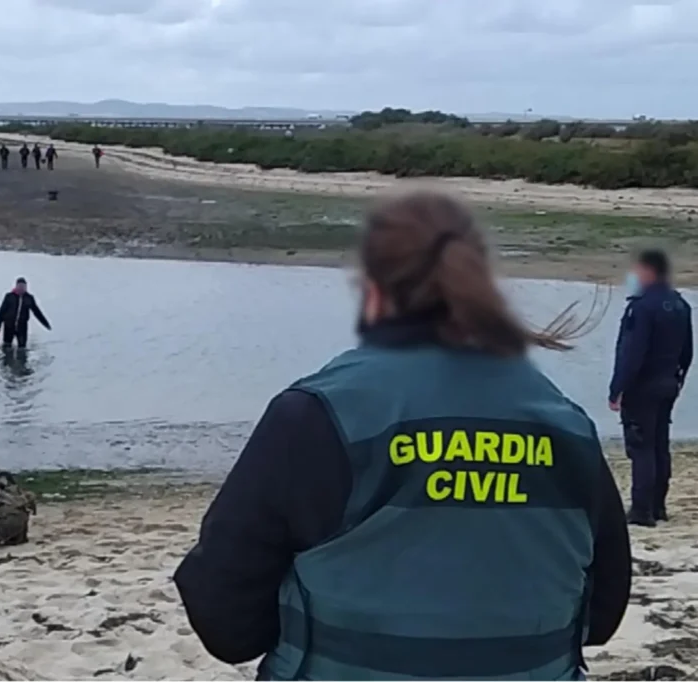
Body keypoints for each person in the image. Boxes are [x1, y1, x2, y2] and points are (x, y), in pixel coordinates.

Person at [174, 192, 631, 680]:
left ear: (374, 293)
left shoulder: (315, 415)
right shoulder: (566, 422)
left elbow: (227, 624)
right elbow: (601, 615)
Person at [609, 249, 693, 527]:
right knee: (659, 445)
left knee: (641, 447)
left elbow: (632, 353)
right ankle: (658, 506)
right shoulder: (680, 305)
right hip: (668, 383)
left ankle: (642, 510)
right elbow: (687, 352)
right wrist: (678, 380)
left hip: (643, 386)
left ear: (648, 272)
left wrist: (617, 389)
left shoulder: (642, 307)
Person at [0, 277, 50, 350]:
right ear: (16, 286)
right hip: (9, 326)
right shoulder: (9, 296)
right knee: (7, 347)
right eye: (20, 287)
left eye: (23, 287)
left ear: (26, 287)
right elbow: (1, 313)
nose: (21, 289)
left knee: (22, 348)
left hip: (22, 327)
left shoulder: (29, 298)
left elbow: (37, 312)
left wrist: (46, 324)